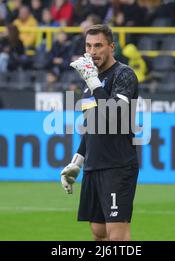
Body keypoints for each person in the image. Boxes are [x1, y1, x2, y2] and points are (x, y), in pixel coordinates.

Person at [61, 24, 139, 241]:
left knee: (117, 237)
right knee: (99, 232)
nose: (93, 51)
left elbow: (114, 116)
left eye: (98, 45)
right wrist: (77, 161)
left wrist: (94, 83)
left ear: (111, 47)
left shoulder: (124, 74)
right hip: (94, 166)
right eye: (88, 46)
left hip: (118, 165)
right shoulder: (88, 82)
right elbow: (92, 124)